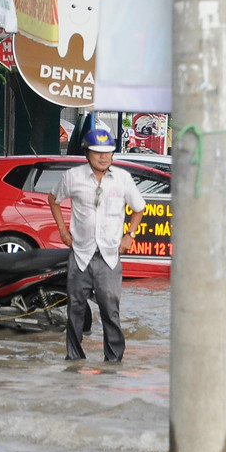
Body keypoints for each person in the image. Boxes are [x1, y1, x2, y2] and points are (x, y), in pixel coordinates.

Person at [47, 125, 146, 362]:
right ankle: (74, 360)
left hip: (109, 257)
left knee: (110, 311)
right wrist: (62, 230)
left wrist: (130, 235)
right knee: (75, 310)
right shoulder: (73, 177)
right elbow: (53, 199)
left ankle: (113, 362)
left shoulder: (122, 178)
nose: (104, 157)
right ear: (86, 153)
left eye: (108, 152)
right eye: (98, 152)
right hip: (80, 255)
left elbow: (139, 208)